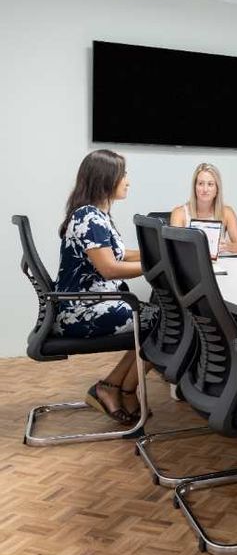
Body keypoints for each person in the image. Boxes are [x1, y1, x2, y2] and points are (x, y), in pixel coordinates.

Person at [55, 149, 157, 424]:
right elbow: (110, 268)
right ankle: (120, 388)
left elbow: (119, 254)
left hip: (88, 304)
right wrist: (159, 266)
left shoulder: (95, 214)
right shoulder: (89, 217)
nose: (128, 181)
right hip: (82, 311)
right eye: (123, 175)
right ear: (105, 179)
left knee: (159, 319)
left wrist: (160, 254)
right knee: (167, 321)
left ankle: (114, 387)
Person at [170, 162, 237, 254]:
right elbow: (175, 249)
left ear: (217, 189)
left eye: (210, 184)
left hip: (220, 261)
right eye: (201, 184)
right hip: (191, 261)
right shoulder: (179, 213)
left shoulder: (227, 212)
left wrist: (228, 247)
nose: (205, 189)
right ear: (194, 187)